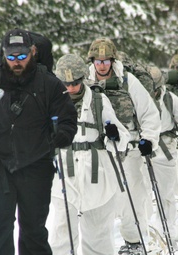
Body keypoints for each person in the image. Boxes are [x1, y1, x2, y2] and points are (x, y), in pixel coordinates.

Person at [0, 28, 77, 255]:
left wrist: (62, 133)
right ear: (3, 54)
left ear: (32, 52)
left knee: (33, 232)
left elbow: (67, 118)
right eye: (11, 56)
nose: (16, 62)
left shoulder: (49, 84)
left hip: (37, 165)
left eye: (22, 56)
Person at [50, 54, 131, 255]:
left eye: (75, 83)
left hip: (98, 176)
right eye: (66, 83)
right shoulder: (50, 101)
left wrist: (113, 134)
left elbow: (122, 138)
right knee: (62, 235)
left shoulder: (98, 100)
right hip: (63, 176)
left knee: (98, 237)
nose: (70, 88)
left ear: (83, 78)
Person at [87, 37, 161, 254]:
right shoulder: (85, 82)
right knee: (102, 197)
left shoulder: (127, 80)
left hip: (129, 148)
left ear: (112, 61)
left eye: (106, 61)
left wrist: (149, 139)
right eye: (98, 61)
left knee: (132, 194)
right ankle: (100, 244)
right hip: (98, 149)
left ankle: (134, 240)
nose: (102, 65)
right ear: (92, 61)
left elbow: (148, 112)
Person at [148, 65, 178, 247]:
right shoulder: (138, 97)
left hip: (165, 148)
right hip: (142, 147)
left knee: (166, 193)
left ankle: (167, 232)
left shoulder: (169, 98)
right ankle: (146, 234)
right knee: (143, 193)